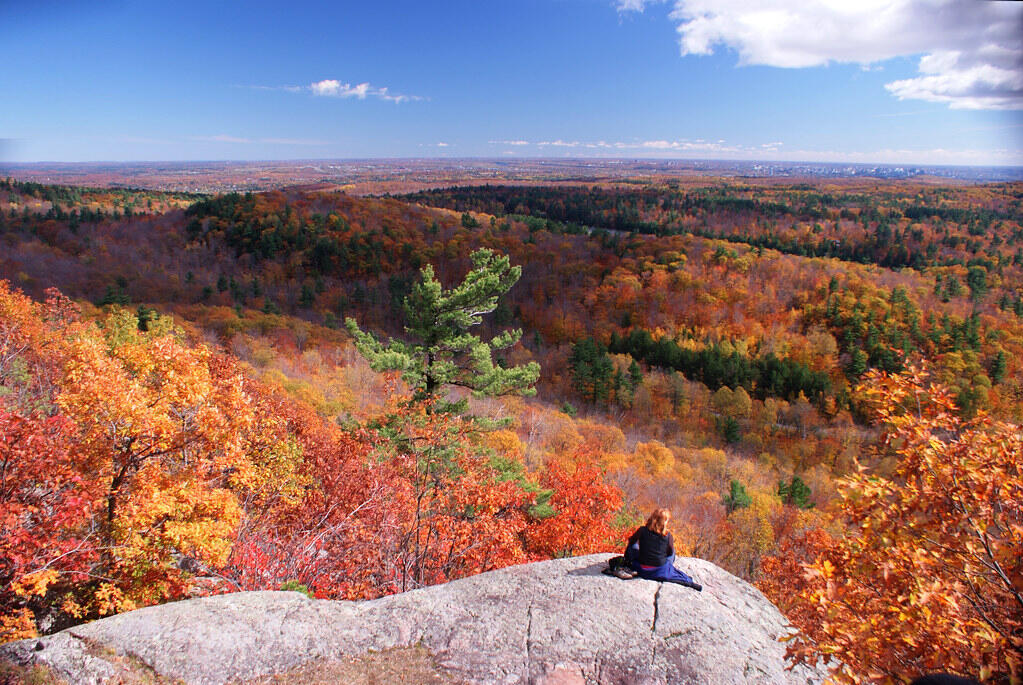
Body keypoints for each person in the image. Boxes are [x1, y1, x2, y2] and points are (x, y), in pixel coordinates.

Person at [624, 508, 701, 591]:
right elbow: (669, 553)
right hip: (660, 570)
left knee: (633, 544)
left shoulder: (642, 530)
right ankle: (664, 566)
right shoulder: (668, 536)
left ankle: (629, 560)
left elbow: (631, 541)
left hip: (643, 569)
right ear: (664, 522)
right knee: (673, 552)